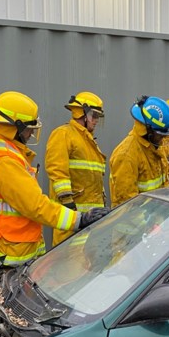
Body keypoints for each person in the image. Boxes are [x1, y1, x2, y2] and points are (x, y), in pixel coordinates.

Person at [0, 91, 108, 268]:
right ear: (16, 126)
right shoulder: (3, 158)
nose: (30, 134)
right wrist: (78, 219)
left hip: (10, 247)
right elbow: (34, 204)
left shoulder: (4, 150)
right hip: (6, 252)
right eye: (29, 128)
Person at [44, 91, 108, 245]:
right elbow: (57, 171)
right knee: (68, 262)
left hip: (92, 220)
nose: (96, 121)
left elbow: (94, 179)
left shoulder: (88, 140)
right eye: (94, 116)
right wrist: (68, 204)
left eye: (98, 117)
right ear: (82, 113)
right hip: (72, 218)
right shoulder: (63, 134)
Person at [109, 95, 169, 206]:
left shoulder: (155, 147)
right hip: (134, 222)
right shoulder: (126, 155)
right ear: (148, 130)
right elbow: (127, 204)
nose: (163, 139)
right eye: (160, 135)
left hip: (155, 218)